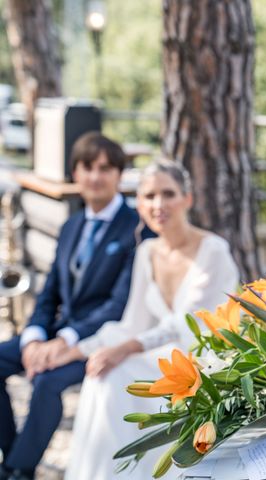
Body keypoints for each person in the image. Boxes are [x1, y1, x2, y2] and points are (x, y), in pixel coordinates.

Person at [61, 158, 239, 480]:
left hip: (207, 363)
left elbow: (186, 323)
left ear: (188, 199)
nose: (159, 204)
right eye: (149, 196)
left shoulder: (213, 250)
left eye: (168, 194)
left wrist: (125, 348)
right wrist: (80, 348)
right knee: (102, 371)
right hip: (164, 360)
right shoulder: (147, 252)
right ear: (139, 205)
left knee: (116, 373)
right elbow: (133, 323)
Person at [0, 132, 146, 480]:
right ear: (75, 173)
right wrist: (34, 337)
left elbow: (119, 304)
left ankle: (19, 470)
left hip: (101, 339)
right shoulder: (72, 225)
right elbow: (50, 291)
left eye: (105, 168)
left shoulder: (137, 230)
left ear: (119, 175)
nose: (96, 176)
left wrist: (65, 340)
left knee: (47, 382)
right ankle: (11, 461)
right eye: (87, 167)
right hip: (54, 334)